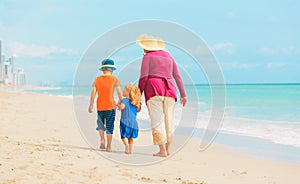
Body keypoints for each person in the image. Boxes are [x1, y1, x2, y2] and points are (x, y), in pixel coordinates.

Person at [136, 34, 187, 157]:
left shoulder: (147, 57)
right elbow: (177, 76)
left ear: (147, 47)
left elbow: (143, 78)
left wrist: (138, 97)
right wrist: (183, 94)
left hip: (154, 90)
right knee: (169, 120)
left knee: (157, 120)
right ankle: (168, 149)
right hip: (170, 90)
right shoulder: (169, 56)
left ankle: (162, 150)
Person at [88, 58, 122, 152]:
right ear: (112, 70)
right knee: (110, 126)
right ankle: (109, 146)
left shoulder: (97, 79)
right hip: (110, 107)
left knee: (101, 125)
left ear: (103, 70)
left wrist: (91, 105)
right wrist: (120, 102)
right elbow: (119, 93)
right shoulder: (114, 79)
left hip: (100, 106)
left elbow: (93, 92)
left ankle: (102, 140)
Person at [117, 83, 141, 154]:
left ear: (128, 92)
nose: (123, 91)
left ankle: (126, 145)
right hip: (133, 123)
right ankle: (130, 150)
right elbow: (138, 110)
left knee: (123, 136)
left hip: (125, 122)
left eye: (124, 89)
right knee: (130, 138)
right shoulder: (135, 102)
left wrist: (118, 104)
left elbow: (122, 107)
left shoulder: (124, 100)